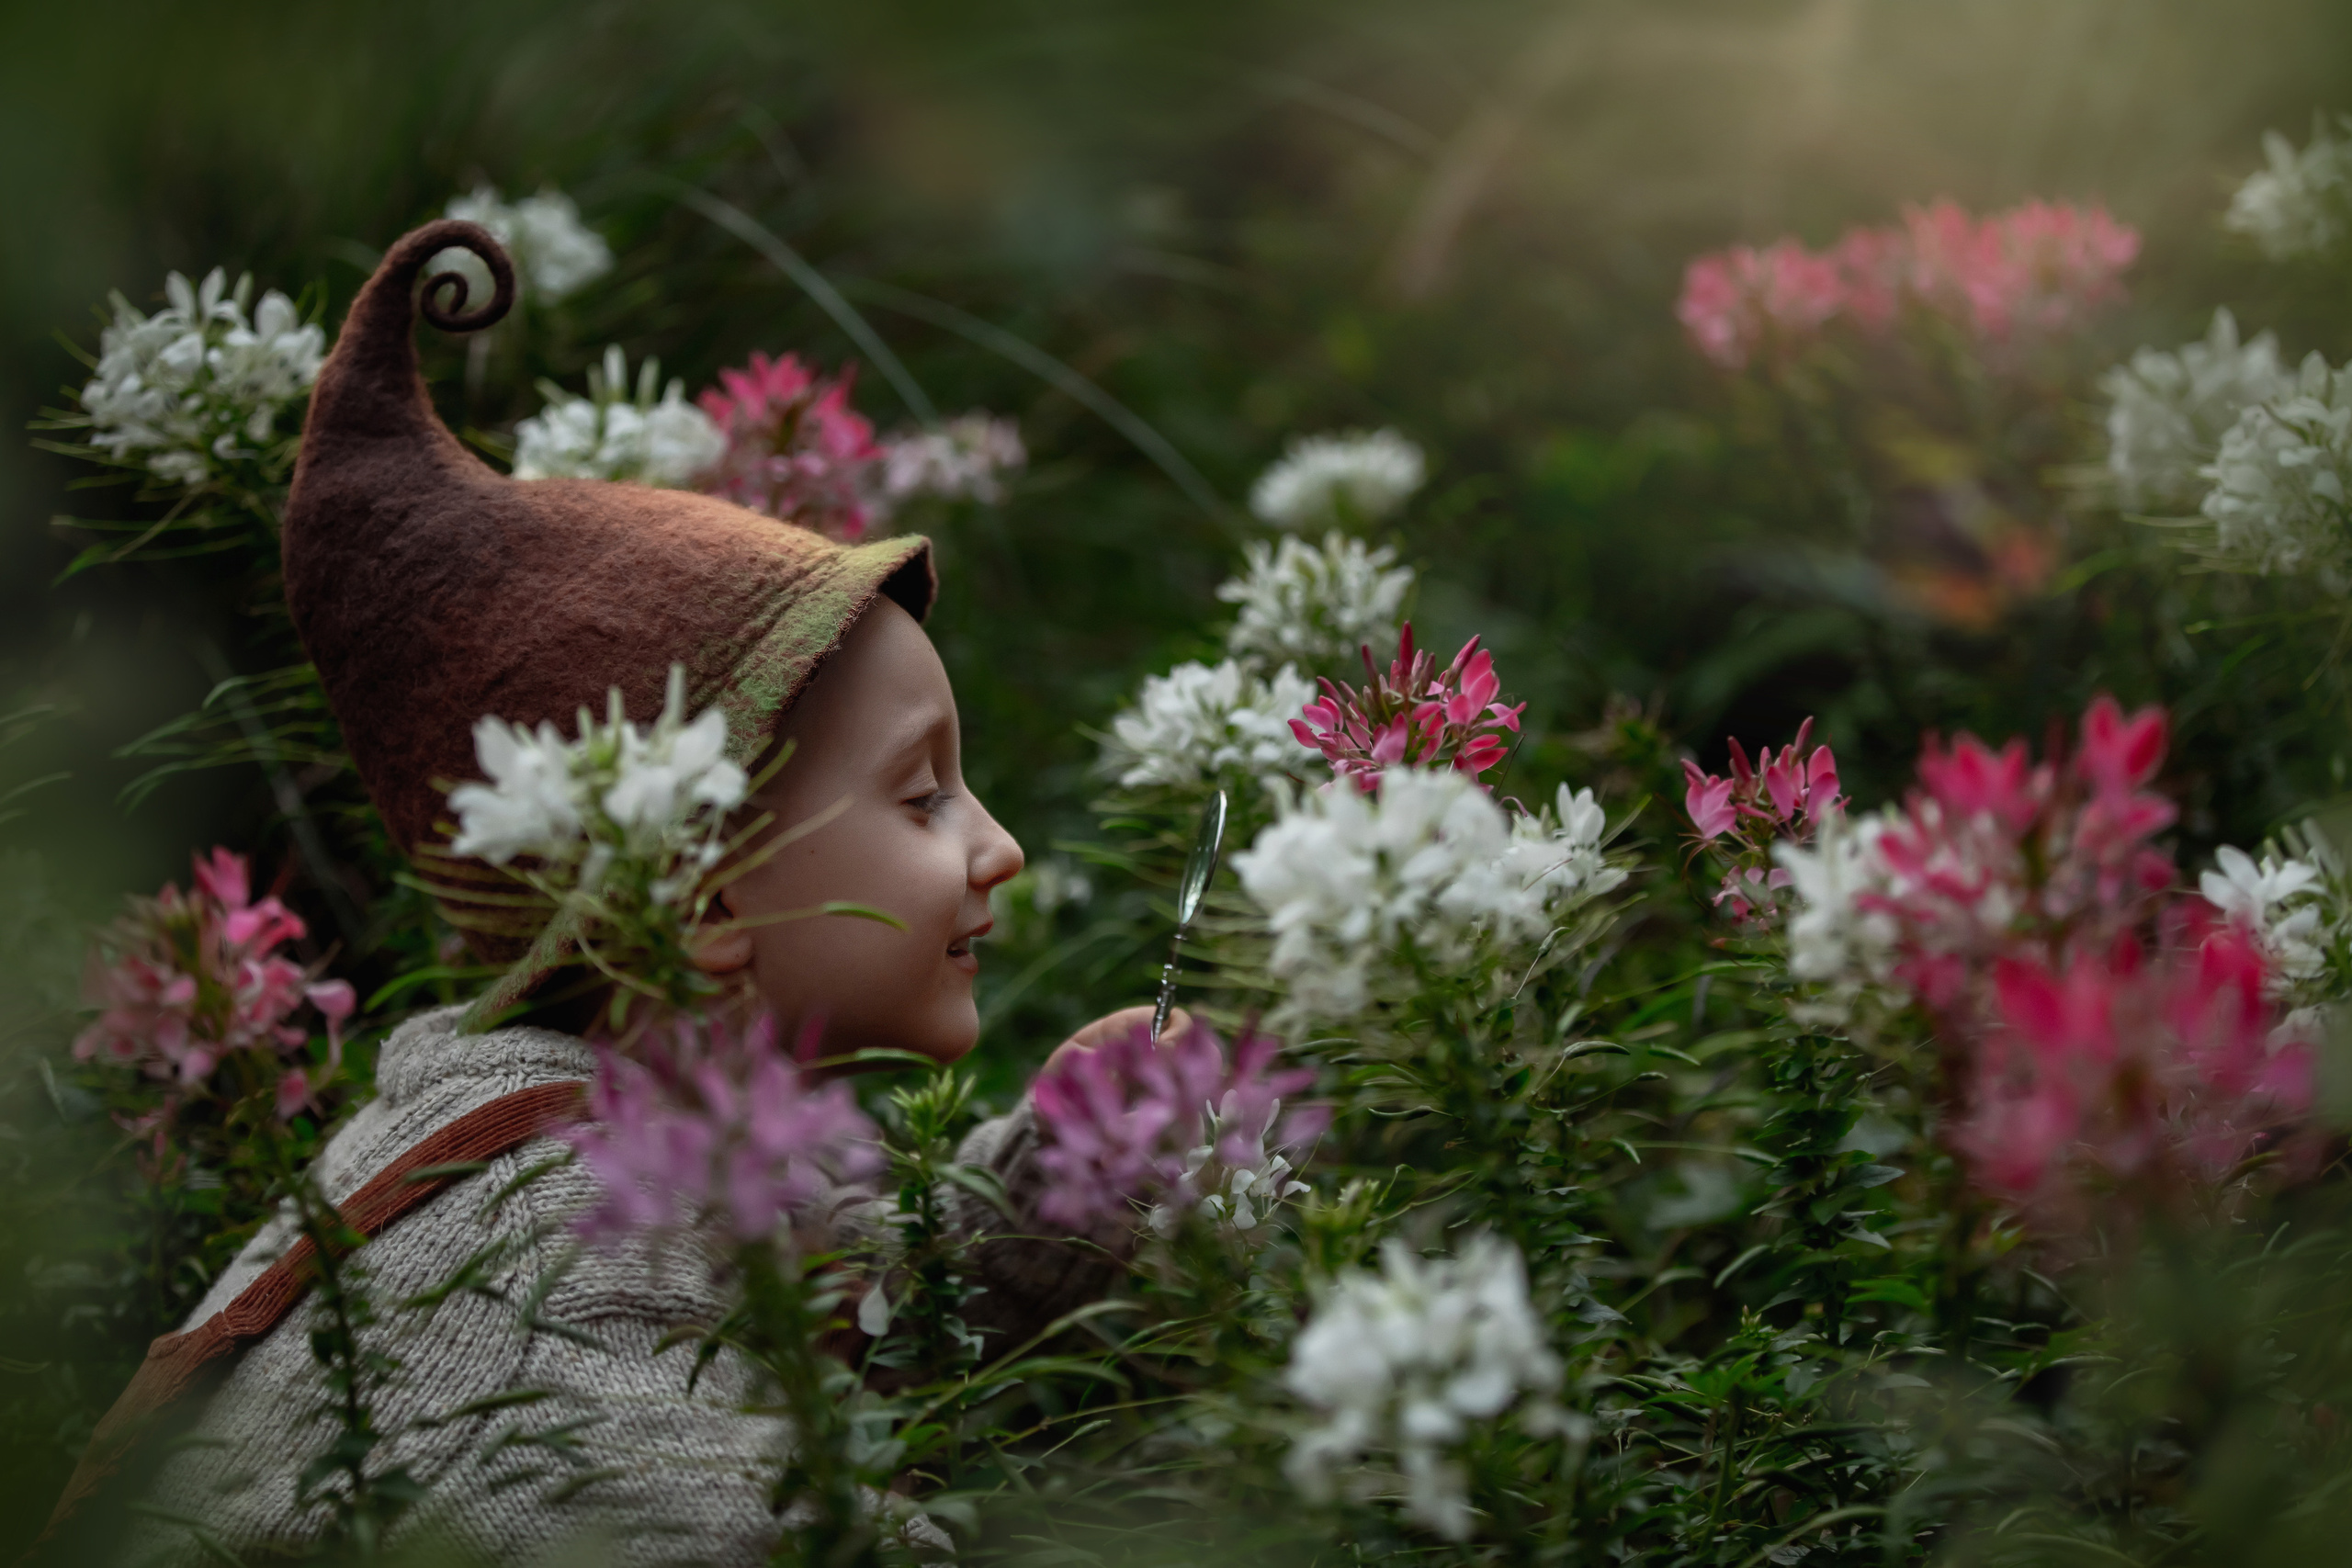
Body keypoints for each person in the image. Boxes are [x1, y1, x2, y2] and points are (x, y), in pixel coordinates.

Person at [96, 220, 1159, 1567]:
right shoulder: (540, 1255)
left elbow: (879, 1284)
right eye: (921, 795)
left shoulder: (636, 1117)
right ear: (697, 901)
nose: (997, 847)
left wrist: (1075, 1175)